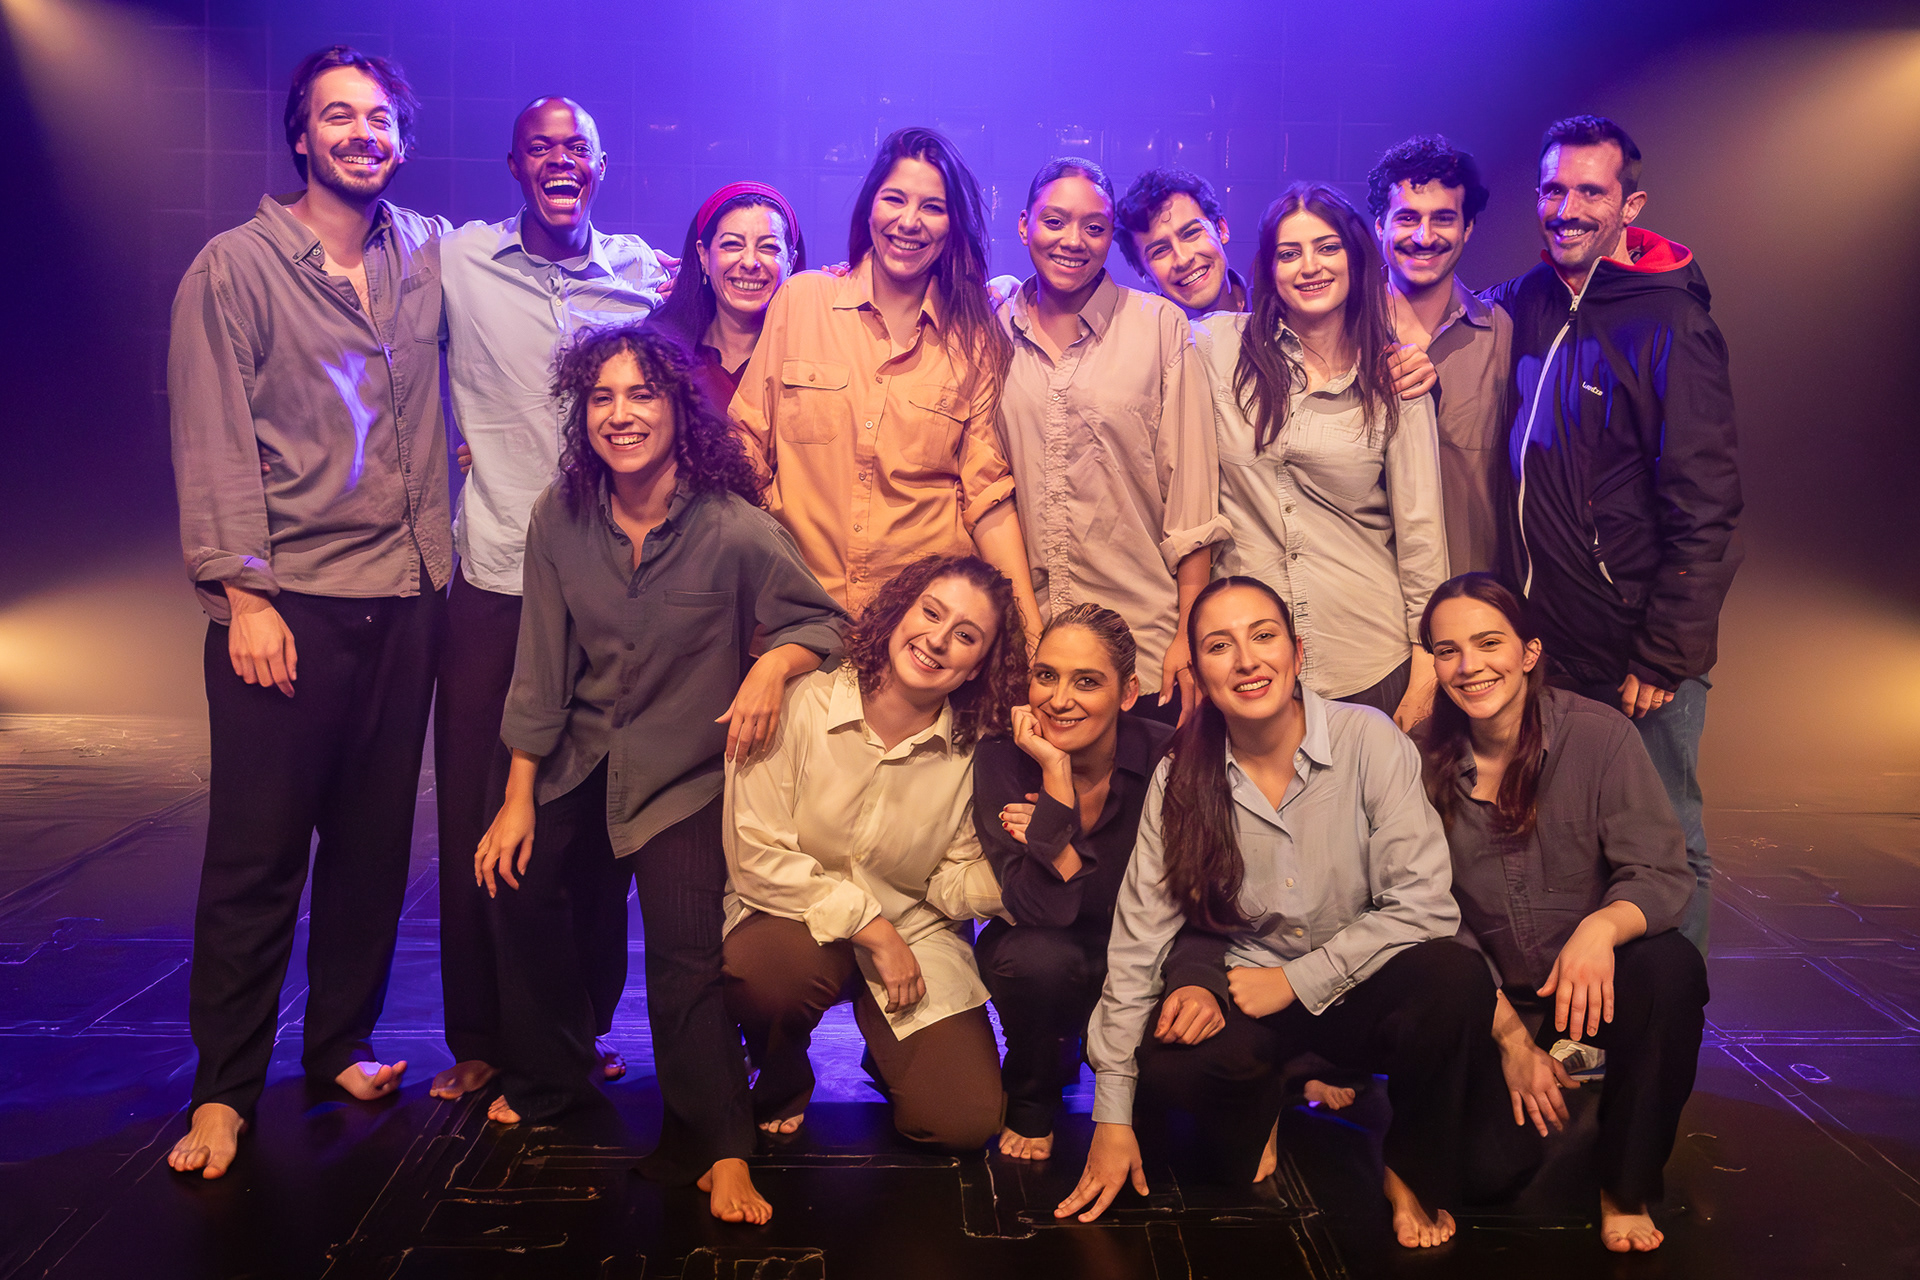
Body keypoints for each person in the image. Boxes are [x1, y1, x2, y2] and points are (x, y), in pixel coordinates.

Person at [473, 325, 846, 1224]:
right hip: (581, 755)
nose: (621, 413)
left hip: (686, 774)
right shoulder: (558, 517)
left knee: (685, 956)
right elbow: (540, 670)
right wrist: (518, 799)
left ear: (679, 409)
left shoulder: (734, 528)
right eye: (601, 397)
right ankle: (554, 1074)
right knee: (515, 878)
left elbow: (826, 625)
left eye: (641, 394)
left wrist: (771, 663)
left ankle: (719, 1146)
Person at [163, 46, 450, 1180]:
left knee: (373, 851)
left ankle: (338, 1045)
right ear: (300, 135)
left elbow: (544, 281)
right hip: (289, 606)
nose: (362, 133)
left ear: (402, 140)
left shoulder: (424, 251)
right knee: (258, 857)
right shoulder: (234, 267)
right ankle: (224, 1091)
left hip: (409, 597)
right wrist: (244, 592)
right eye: (339, 116)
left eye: (380, 118)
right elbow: (212, 434)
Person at [1058, 577, 1504, 1248]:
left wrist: (1295, 981)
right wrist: (1111, 1115)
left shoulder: (1368, 739)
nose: (1246, 661)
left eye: (1263, 636)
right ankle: (1272, 1094)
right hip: (1251, 990)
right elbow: (1138, 940)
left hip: (1360, 984)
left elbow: (1423, 905)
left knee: (1454, 979)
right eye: (1219, 646)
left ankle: (1407, 1167)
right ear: (1197, 672)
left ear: (1297, 653)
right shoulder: (1181, 774)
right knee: (1174, 1065)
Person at [431, 95, 675, 1103]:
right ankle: (483, 1034)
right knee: (481, 812)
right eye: (541, 148)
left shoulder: (645, 274)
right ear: (515, 166)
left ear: (602, 165)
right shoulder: (459, 260)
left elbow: (746, 295)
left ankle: (579, 1027)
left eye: (577, 146)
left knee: (595, 826)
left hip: (612, 589)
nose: (560, 159)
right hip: (497, 578)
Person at [1483, 116, 1742, 953]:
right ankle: (1582, 1011)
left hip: (1639, 650)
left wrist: (1665, 653)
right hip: (1549, 641)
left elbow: (1707, 503)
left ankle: (1669, 1014)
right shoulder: (1527, 300)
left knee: (1664, 844)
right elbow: (1441, 323)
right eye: (1553, 190)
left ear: (1630, 205)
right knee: (1567, 844)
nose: (1567, 209)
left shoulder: (1671, 321)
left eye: (1590, 192)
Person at [1418, 573, 1707, 1253]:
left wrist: (1600, 928)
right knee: (1488, 1176)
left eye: (1489, 643)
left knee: (1672, 968)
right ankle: (1551, 1082)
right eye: (1447, 650)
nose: (1469, 666)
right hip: (1495, 1004)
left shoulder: (1599, 736)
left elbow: (1661, 870)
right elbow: (1428, 915)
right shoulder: (1419, 764)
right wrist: (1511, 1041)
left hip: (1597, 988)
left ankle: (1626, 1187)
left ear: (1529, 651)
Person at [721, 554, 1027, 1151]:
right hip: (794, 923)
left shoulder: (974, 752)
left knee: (963, 1123)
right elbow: (756, 856)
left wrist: (1027, 866)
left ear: (979, 666)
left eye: (966, 636)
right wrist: (873, 930)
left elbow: (949, 880)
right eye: (930, 613)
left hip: (915, 933)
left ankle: (888, 1051)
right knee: (768, 974)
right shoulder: (799, 703)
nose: (938, 639)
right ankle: (781, 1074)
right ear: (899, 612)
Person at [729, 127, 1042, 640]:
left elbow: (987, 497)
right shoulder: (802, 302)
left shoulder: (976, 340)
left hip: (921, 634)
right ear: (870, 206)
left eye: (932, 207)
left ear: (953, 224)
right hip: (799, 618)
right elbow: (744, 443)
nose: (909, 221)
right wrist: (770, 542)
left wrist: (1032, 640)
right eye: (895, 199)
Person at [1194, 182, 1448, 729]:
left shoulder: (1395, 378)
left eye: (1327, 247)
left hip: (1366, 654)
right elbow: (1134, 341)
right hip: (1251, 666)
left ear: (1355, 258)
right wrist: (1008, 294)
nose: (1310, 267)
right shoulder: (1216, 348)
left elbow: (1422, 534)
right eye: (1290, 253)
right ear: (1270, 268)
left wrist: (1427, 667)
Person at [995, 157, 1229, 725]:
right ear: (1024, 225)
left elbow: (1192, 501)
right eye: (1055, 221)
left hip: (1143, 648)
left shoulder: (1160, 326)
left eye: (1094, 227)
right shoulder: (993, 330)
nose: (1073, 241)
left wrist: (1187, 634)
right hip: (1031, 648)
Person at [971, 604, 1173, 1158]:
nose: (1059, 700)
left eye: (1087, 681)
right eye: (1047, 675)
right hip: (1048, 947)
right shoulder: (1002, 757)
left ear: (1128, 693)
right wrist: (1055, 774)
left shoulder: (1167, 754)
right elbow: (1036, 907)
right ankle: (1032, 1091)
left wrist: (1058, 846)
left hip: (1147, 946)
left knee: (1171, 1103)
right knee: (1034, 958)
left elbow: (1175, 893)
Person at [1368, 136, 1513, 575]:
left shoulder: (1502, 336)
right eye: (1408, 217)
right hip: (1360, 595)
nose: (1424, 236)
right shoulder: (1340, 330)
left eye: (1444, 219)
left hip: (1468, 591)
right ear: (1380, 225)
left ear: (1467, 229)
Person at [646, 181, 805, 412]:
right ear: (703, 256)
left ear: (790, 262)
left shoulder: (813, 355)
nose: (750, 262)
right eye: (732, 245)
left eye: (768, 247)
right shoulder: (657, 352)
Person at [1115, 167, 1250, 317]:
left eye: (1191, 233)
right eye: (1160, 251)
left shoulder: (1269, 303)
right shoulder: (1141, 330)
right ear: (1140, 270)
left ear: (1221, 229)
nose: (1183, 259)